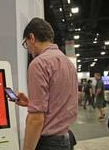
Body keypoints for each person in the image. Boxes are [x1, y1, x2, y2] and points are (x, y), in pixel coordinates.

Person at [16, 17, 78, 150]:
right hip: (66, 140)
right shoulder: (68, 63)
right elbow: (59, 102)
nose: (28, 49)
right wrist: (30, 103)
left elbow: (36, 119)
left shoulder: (39, 64)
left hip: (48, 143)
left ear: (31, 37)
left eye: (26, 44)